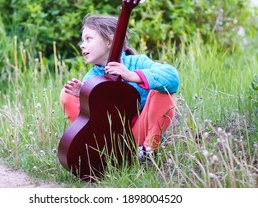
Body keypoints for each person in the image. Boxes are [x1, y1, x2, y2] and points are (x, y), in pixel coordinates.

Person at [60, 14, 179, 163]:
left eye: (88, 39)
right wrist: (85, 96)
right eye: (82, 40)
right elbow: (100, 120)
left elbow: (172, 77)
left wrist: (132, 76)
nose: (82, 45)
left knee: (162, 90)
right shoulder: (90, 79)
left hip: (138, 135)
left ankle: (148, 154)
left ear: (110, 41)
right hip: (107, 140)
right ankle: (95, 151)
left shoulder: (137, 62)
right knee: (66, 95)